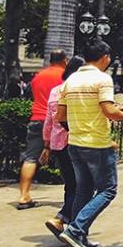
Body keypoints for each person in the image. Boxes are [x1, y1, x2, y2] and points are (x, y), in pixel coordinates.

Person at [55, 39, 123, 247]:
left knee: (83, 190)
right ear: (105, 57)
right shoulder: (102, 79)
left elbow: (60, 115)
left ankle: (78, 239)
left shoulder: (70, 81)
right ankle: (75, 230)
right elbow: (108, 111)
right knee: (108, 189)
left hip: (75, 143)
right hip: (97, 144)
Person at [17, 50, 68, 209]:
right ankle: (74, 197)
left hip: (37, 118)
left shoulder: (38, 76)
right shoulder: (66, 77)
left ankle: (24, 196)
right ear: (64, 60)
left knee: (31, 158)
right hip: (59, 121)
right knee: (68, 159)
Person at [40, 56, 84, 237]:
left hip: (58, 143)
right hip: (76, 142)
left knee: (70, 184)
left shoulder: (55, 91)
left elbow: (49, 121)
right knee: (84, 185)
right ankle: (64, 219)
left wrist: (47, 145)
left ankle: (70, 225)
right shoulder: (76, 91)